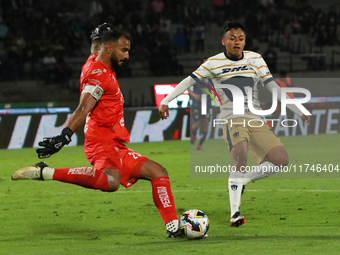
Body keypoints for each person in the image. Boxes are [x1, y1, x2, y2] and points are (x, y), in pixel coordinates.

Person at [12, 28, 182, 238]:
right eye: (124, 50)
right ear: (109, 48)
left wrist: (99, 35)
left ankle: (174, 228)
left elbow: (96, 47)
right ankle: (45, 173)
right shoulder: (98, 74)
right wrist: (64, 136)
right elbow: (83, 107)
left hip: (114, 143)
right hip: (101, 142)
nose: (127, 55)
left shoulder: (97, 61)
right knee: (111, 182)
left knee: (159, 172)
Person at [159, 22, 310, 227]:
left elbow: (273, 87)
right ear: (224, 41)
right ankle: (234, 214)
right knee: (240, 159)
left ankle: (243, 180)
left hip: (256, 118)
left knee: (280, 159)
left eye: (240, 38)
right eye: (232, 38)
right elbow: (188, 82)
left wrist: (298, 109)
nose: (236, 41)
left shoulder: (255, 58)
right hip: (232, 118)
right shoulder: (213, 63)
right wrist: (166, 99)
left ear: (245, 41)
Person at [189, 57, 212, 150]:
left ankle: (200, 145)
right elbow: (187, 86)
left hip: (207, 103)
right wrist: (194, 95)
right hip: (197, 103)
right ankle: (193, 134)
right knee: (197, 124)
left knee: (205, 123)